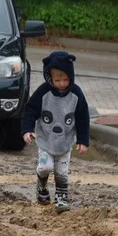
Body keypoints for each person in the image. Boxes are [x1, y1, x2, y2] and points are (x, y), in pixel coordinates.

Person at [21, 51, 91, 212]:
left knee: (62, 172)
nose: (61, 84)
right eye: (57, 80)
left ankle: (61, 199)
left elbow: (82, 117)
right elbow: (30, 110)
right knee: (46, 167)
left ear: (71, 77)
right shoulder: (43, 92)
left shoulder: (76, 94)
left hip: (65, 140)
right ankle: (42, 185)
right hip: (46, 139)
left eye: (65, 80)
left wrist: (83, 140)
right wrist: (27, 129)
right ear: (49, 78)